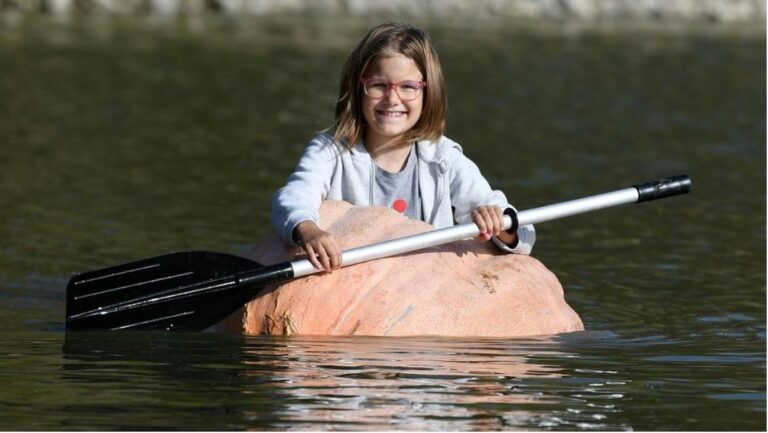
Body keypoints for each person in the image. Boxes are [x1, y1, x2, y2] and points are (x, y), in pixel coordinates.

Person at [272, 22, 535, 273]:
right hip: (355, 283)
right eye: (379, 85)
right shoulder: (329, 152)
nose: (392, 99)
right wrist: (307, 229)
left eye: (408, 87)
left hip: (425, 287)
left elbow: (524, 235)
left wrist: (501, 226)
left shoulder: (444, 158)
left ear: (427, 92)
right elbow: (294, 197)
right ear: (358, 88)